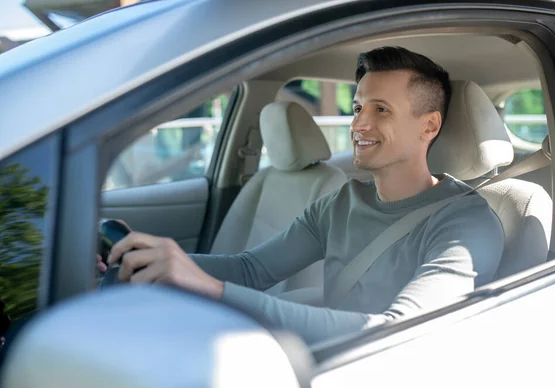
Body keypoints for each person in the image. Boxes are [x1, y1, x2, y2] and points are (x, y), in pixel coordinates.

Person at [100, 46, 504, 345]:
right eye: (357, 106)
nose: (359, 123)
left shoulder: (465, 223)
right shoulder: (343, 201)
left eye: (381, 109)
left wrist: (210, 289)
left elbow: (399, 328)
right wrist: (151, 260)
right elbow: (251, 270)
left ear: (428, 126)